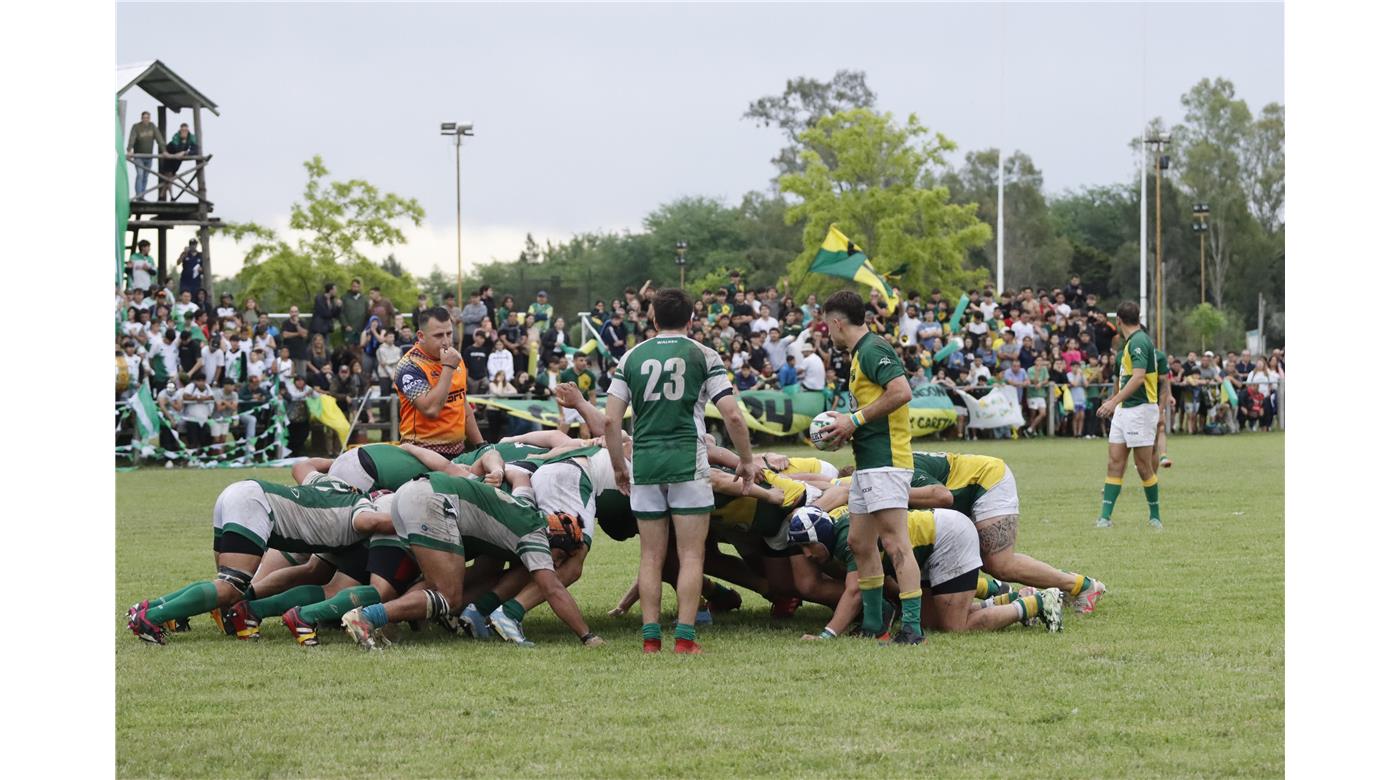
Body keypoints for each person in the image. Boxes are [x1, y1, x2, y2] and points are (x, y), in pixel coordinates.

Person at [604, 288, 759, 654]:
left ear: (653, 319)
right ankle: (685, 639)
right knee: (691, 555)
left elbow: (611, 421)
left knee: (650, 556)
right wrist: (747, 459)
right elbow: (733, 415)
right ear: (691, 319)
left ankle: (650, 639)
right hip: (688, 463)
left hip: (645, 462)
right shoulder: (703, 355)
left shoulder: (631, 357)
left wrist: (618, 467)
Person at [339, 473, 602, 650]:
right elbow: (552, 588)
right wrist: (587, 636)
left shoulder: (525, 507)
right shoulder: (535, 534)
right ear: (556, 544)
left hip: (410, 494)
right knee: (449, 596)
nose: (555, 564)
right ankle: (367, 617)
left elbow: (519, 478)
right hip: (433, 501)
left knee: (435, 583)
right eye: (559, 558)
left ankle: (387, 623)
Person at [126, 478, 393, 644]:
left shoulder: (331, 483)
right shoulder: (363, 502)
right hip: (257, 506)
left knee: (225, 586)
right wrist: (406, 521)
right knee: (230, 588)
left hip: (240, 492)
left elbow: (304, 468)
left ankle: (149, 607)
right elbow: (366, 521)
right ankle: (150, 618)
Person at [816, 290, 924, 645]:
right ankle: (875, 625)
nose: (827, 334)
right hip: (868, 464)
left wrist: (854, 420)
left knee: (896, 543)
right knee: (860, 542)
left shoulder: (873, 349)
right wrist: (847, 428)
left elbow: (901, 392)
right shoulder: (860, 353)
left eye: (827, 326)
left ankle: (912, 629)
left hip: (887, 462)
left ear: (836, 322)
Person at [1095, 301, 1163, 529]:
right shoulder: (1129, 343)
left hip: (1140, 409)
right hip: (1124, 411)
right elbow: (1123, 378)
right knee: (1114, 462)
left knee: (1143, 466)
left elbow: (1138, 377)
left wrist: (1113, 401)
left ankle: (1155, 517)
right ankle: (1104, 518)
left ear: (1118, 321)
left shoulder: (1140, 342)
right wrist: (1116, 404)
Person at [393, 306, 483, 457]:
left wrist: (481, 446)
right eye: (438, 335)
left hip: (458, 451)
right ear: (421, 336)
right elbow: (431, 410)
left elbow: (462, 404)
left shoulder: (454, 358)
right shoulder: (409, 365)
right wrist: (447, 367)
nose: (446, 342)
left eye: (449, 333)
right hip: (421, 452)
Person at [558, 352, 598, 436]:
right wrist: (561, 413)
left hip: (584, 404)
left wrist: (593, 411)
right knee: (561, 433)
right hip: (569, 406)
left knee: (585, 434)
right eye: (581, 360)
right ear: (574, 361)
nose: (584, 363)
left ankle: (586, 448)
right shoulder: (565, 374)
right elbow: (559, 394)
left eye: (585, 360)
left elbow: (592, 394)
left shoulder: (590, 375)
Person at [158, 123, 199, 201]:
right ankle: (170, 196)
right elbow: (175, 148)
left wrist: (185, 152)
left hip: (177, 160)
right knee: (168, 177)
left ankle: (161, 195)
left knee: (170, 178)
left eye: (186, 130)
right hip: (169, 158)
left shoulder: (191, 137)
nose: (184, 132)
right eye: (182, 130)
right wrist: (181, 152)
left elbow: (196, 150)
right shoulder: (176, 136)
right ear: (180, 131)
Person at [127, 110, 160, 199]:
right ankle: (139, 196)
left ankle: (142, 196)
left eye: (147, 118)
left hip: (149, 157)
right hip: (138, 156)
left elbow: (159, 138)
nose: (146, 119)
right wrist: (129, 150)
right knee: (140, 175)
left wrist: (164, 150)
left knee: (145, 177)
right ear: (141, 118)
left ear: (149, 118)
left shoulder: (152, 126)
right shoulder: (136, 127)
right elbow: (132, 138)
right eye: (144, 118)